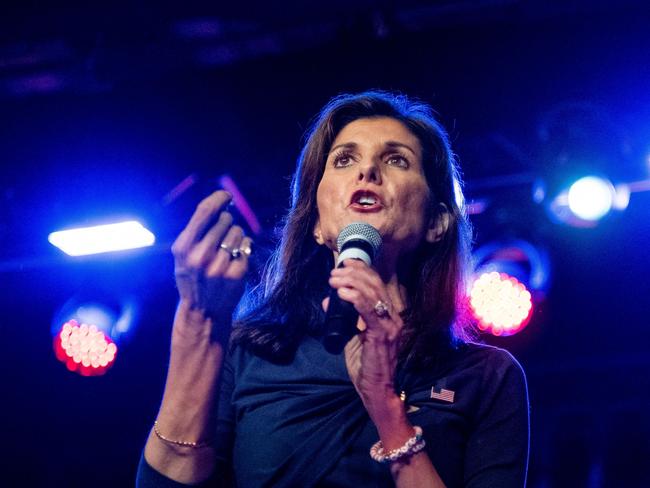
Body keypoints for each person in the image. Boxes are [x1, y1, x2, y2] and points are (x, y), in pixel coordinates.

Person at [136, 91, 529, 487]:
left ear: (436, 222)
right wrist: (197, 320)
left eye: (396, 159)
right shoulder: (249, 352)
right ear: (318, 225)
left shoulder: (485, 375)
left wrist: (386, 409)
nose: (368, 171)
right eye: (344, 159)